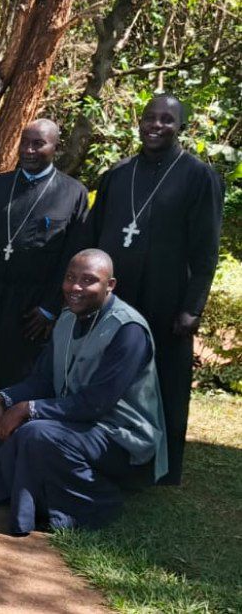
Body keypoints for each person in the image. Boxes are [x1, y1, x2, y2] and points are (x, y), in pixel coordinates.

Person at [0, 250, 168, 535]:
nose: (75, 287)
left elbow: (97, 404)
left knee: (36, 433)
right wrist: (3, 398)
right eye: (70, 278)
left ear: (110, 285)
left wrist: (29, 409)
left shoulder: (128, 330)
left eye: (88, 280)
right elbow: (43, 380)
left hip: (120, 437)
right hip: (78, 421)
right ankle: (22, 497)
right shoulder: (66, 319)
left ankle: (98, 502)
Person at [86, 94, 222, 484]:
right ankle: (110, 453)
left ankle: (161, 467)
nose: (156, 125)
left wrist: (193, 306)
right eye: (150, 117)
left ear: (181, 127)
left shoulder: (198, 176)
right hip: (117, 296)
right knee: (111, 373)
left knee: (165, 379)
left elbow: (206, 249)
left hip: (167, 297)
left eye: (166, 119)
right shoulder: (118, 174)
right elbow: (93, 234)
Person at [0, 119, 88, 398]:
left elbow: (72, 257)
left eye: (38, 144)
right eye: (24, 143)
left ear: (56, 147)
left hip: (31, 308)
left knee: (16, 379)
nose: (29, 150)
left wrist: (50, 307)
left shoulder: (73, 194)